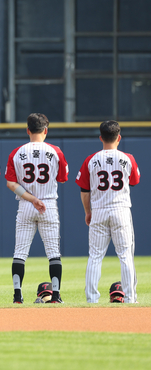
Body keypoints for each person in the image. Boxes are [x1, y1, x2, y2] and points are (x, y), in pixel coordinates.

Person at [5, 113, 69, 304]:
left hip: (25, 204)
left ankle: (17, 296)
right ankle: (56, 296)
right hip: (48, 203)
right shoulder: (55, 151)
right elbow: (63, 178)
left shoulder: (17, 152)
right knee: (53, 252)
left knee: (20, 252)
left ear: (28, 130)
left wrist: (31, 198)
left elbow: (10, 183)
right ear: (45, 130)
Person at [75, 121, 140, 304]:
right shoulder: (128, 158)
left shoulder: (91, 159)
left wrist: (88, 212)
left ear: (100, 137)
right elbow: (134, 181)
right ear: (119, 137)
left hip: (99, 211)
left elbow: (84, 191)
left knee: (95, 256)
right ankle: (130, 298)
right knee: (126, 256)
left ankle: (92, 299)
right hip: (121, 210)